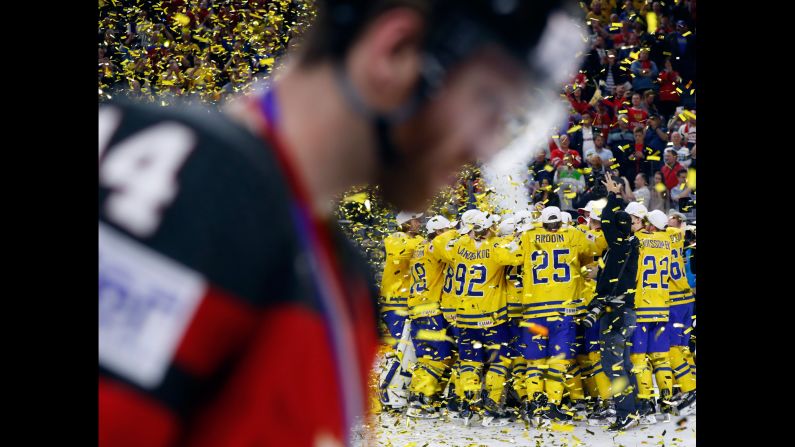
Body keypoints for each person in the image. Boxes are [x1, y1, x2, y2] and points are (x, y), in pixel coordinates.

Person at [98, 1, 579, 445]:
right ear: (396, 51)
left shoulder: (339, 273)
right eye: (491, 103)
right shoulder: (174, 174)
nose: (488, 144)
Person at [582, 172, 642, 431]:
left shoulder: (619, 246)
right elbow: (612, 220)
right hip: (627, 310)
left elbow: (607, 219)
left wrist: (612, 194)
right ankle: (636, 409)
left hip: (616, 312)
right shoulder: (631, 243)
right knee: (625, 363)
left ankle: (626, 413)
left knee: (613, 366)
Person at [406, 215, 459, 418]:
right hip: (430, 310)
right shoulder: (435, 246)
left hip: (416, 307)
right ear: (438, 233)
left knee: (427, 358)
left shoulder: (419, 247)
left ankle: (424, 398)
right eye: (445, 230)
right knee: (438, 357)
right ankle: (418, 400)